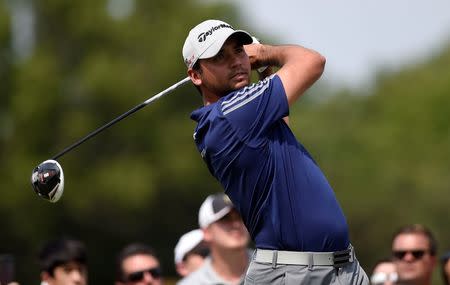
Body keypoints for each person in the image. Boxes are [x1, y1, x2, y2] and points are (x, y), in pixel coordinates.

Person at [182, 19, 369, 284]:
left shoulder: (227, 118)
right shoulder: (230, 114)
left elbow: (280, 126)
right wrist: (266, 52)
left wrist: (266, 70)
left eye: (238, 50)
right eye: (220, 57)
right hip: (292, 274)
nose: (236, 61)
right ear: (196, 75)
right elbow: (313, 61)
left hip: (338, 268)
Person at [177, 193, 250, 285]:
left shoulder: (271, 269)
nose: (236, 224)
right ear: (206, 232)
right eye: (225, 218)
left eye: (241, 217)